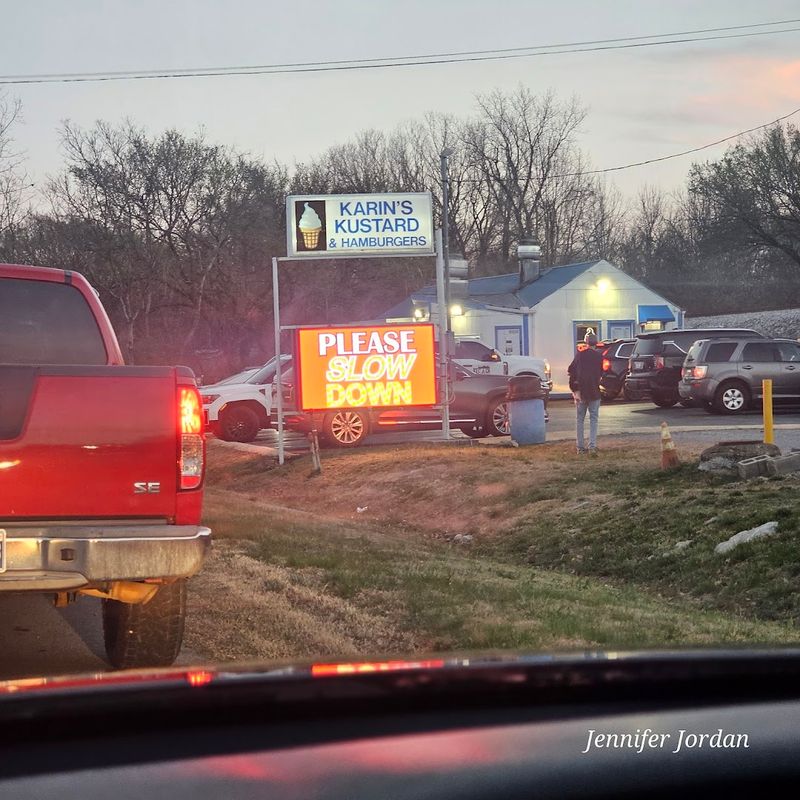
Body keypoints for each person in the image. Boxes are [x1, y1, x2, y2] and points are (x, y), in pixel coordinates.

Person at [568, 332, 603, 455]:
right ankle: (592, 446)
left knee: (580, 419)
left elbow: (570, 369)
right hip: (594, 391)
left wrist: (575, 387)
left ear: (586, 342)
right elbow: (600, 374)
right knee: (594, 419)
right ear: (596, 343)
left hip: (581, 392)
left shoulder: (580, 355)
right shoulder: (599, 357)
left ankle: (580, 447)